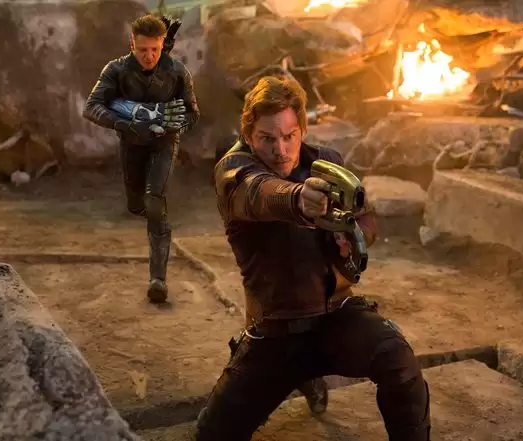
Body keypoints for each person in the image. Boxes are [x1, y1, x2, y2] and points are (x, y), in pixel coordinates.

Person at [197, 76, 430, 441]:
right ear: (248, 136)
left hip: (335, 318)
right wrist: (298, 200)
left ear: (302, 129)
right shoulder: (234, 171)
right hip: (274, 334)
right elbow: (261, 193)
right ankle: (302, 378)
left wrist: (351, 238)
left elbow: (365, 216)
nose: (280, 150)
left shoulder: (327, 163)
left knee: (398, 360)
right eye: (267, 138)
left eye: (289, 136)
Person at [82, 14, 200, 304]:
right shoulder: (117, 70)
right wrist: (125, 124)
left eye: (155, 50)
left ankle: (158, 279)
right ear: (131, 45)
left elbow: (192, 113)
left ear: (163, 45)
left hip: (163, 144)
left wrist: (175, 126)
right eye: (143, 49)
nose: (149, 56)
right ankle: (152, 216)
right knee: (136, 205)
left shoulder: (177, 71)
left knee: (154, 202)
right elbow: (92, 107)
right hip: (132, 144)